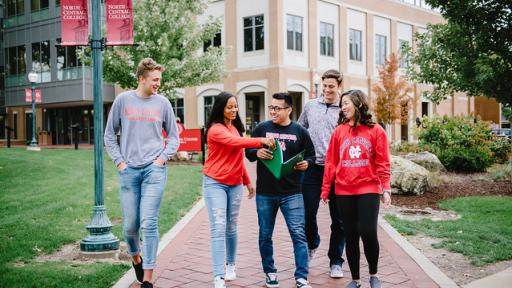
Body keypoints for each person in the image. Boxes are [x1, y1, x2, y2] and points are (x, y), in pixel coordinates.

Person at [104, 58, 180, 288]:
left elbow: (174, 138)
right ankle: (136, 257)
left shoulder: (163, 103)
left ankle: (147, 278)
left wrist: (161, 159)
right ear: (141, 79)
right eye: (155, 79)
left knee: (149, 222)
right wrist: (119, 163)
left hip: (154, 171)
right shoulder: (123, 100)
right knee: (130, 226)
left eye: (160, 79)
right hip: (128, 171)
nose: (159, 83)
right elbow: (109, 135)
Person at [203, 91, 276, 288]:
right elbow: (235, 143)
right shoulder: (215, 130)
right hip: (215, 183)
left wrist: (247, 181)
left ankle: (230, 265)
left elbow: (237, 156)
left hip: (234, 184)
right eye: (229, 107)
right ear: (220, 108)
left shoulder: (235, 128)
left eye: (235, 106)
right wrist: (261, 140)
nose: (234, 109)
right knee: (218, 228)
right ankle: (218, 275)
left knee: (231, 226)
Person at [320, 90, 392, 288]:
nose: (342, 107)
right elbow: (331, 162)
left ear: (359, 104)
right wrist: (326, 189)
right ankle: (356, 279)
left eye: (346, 103)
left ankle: (374, 275)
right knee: (350, 235)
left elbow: (383, 162)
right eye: (341, 104)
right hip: (344, 190)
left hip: (368, 188)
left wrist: (386, 188)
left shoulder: (376, 130)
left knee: (368, 232)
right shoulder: (339, 131)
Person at [246, 93, 316, 288]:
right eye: (271, 107)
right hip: (265, 193)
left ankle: (301, 277)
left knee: (298, 234)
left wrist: (306, 164)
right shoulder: (262, 128)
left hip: (292, 192)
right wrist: (257, 152)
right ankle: (270, 273)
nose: (273, 111)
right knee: (265, 234)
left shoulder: (300, 132)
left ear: (289, 110)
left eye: (277, 108)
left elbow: (312, 156)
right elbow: (248, 152)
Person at [297, 69, 346, 278]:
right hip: (313, 169)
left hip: (338, 171)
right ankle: (312, 241)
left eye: (331, 86)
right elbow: (299, 130)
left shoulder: (344, 109)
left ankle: (336, 261)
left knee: (340, 220)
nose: (326, 90)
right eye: (324, 86)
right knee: (308, 212)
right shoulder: (310, 106)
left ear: (339, 87)